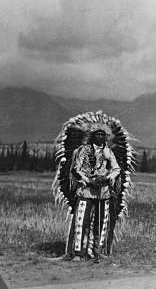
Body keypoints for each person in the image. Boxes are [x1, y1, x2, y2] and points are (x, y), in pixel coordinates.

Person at [53, 111, 135, 262]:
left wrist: (107, 177)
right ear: (92, 136)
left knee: (102, 222)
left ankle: (98, 251)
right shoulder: (83, 151)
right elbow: (75, 169)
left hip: (103, 192)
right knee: (81, 220)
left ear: (106, 137)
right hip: (85, 191)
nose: (100, 137)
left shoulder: (108, 152)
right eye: (97, 134)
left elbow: (116, 168)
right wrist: (87, 180)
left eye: (102, 135)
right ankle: (78, 252)